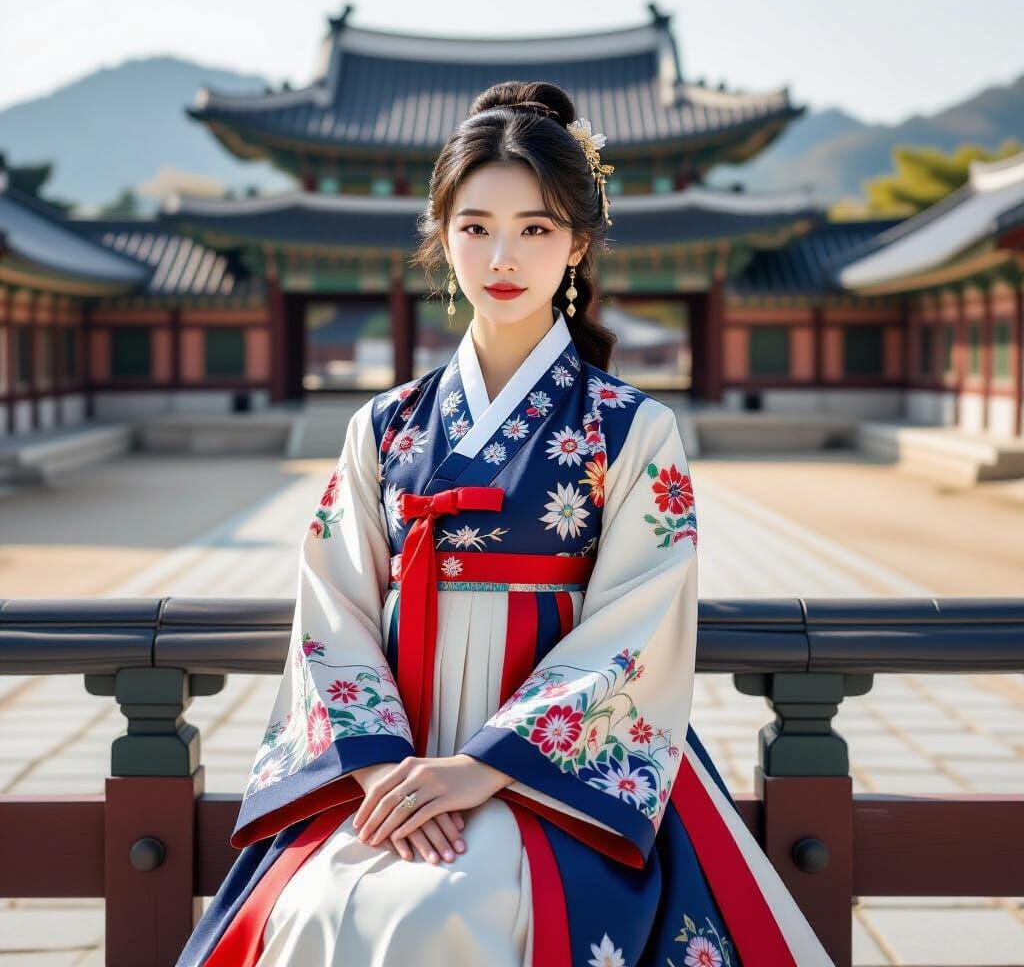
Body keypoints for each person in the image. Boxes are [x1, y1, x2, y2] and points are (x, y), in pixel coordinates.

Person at [176, 80, 836, 967]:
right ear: (441, 238)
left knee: (444, 917)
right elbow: (331, 612)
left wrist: (482, 768)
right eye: (476, 225)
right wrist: (385, 775)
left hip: (556, 772)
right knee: (312, 913)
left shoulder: (633, 429)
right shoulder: (382, 427)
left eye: (536, 227)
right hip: (395, 761)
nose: (503, 254)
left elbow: (635, 627)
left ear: (576, 244)